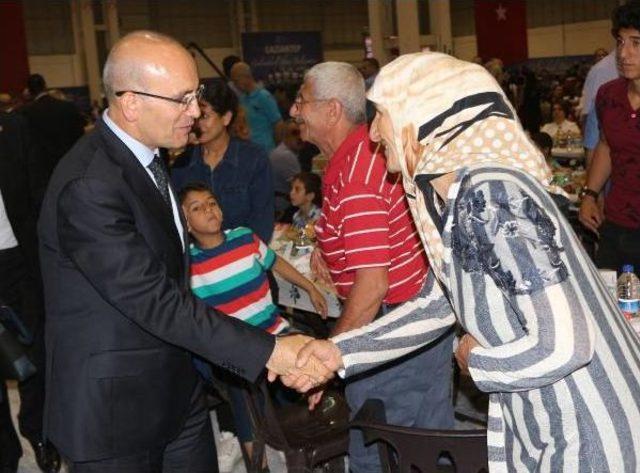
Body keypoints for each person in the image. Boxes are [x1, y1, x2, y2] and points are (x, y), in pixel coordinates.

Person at [284, 51, 640, 473]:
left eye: (383, 117)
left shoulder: (490, 196)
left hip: (592, 431)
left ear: (424, 121)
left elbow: (565, 342)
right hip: (554, 424)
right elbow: (434, 306)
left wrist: (477, 361)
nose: (375, 134)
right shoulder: (462, 201)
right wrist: (338, 353)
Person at [37, 30, 330, 472]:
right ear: (131, 102)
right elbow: (154, 299)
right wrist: (273, 350)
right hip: (115, 410)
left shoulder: (149, 159)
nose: (194, 113)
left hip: (176, 390)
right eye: (182, 99)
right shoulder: (90, 185)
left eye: (195, 96)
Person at [290, 61, 454, 473]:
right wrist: (329, 245)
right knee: (430, 446)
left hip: (388, 331)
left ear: (331, 110)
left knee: (379, 452)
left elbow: (372, 285)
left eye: (301, 102)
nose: (294, 112)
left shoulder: (356, 175)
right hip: (417, 321)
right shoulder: (362, 154)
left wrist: (331, 352)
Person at [179, 182, 326, 463]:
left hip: (276, 332)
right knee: (243, 396)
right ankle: (257, 461)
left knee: (311, 364)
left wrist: (310, 287)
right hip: (236, 347)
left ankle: (312, 446)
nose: (208, 209)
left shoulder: (245, 238)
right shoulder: (190, 266)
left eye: (211, 202)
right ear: (186, 224)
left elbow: (276, 263)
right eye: (197, 208)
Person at [0, 111, 59, 473]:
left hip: (19, 262)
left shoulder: (15, 128)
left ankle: (39, 431)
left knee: (33, 354)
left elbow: (39, 192)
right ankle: (5, 455)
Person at [171, 79, 275, 244]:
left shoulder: (253, 159)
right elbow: (178, 225)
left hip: (247, 258)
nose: (196, 123)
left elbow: (262, 222)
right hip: (200, 262)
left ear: (226, 118)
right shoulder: (182, 165)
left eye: (204, 116)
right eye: (193, 115)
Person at [579, 1, 640, 272]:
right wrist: (590, 194)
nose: (624, 53)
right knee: (613, 307)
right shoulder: (608, 95)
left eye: (636, 43)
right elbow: (605, 144)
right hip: (616, 225)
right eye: (620, 41)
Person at [20, 73, 85, 182]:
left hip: (42, 171)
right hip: (70, 166)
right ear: (45, 86)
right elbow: (80, 138)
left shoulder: (25, 113)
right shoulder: (68, 107)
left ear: (29, 91)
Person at [230, 62, 283, 154]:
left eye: (236, 81)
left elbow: (278, 124)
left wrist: (277, 150)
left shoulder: (264, 97)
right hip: (248, 151)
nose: (234, 85)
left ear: (246, 77)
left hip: (267, 151)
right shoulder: (242, 99)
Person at [269, 121, 302, 217]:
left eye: (301, 132)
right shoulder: (285, 155)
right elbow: (303, 186)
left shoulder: (284, 152)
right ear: (285, 136)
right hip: (282, 210)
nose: (299, 137)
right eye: (294, 133)